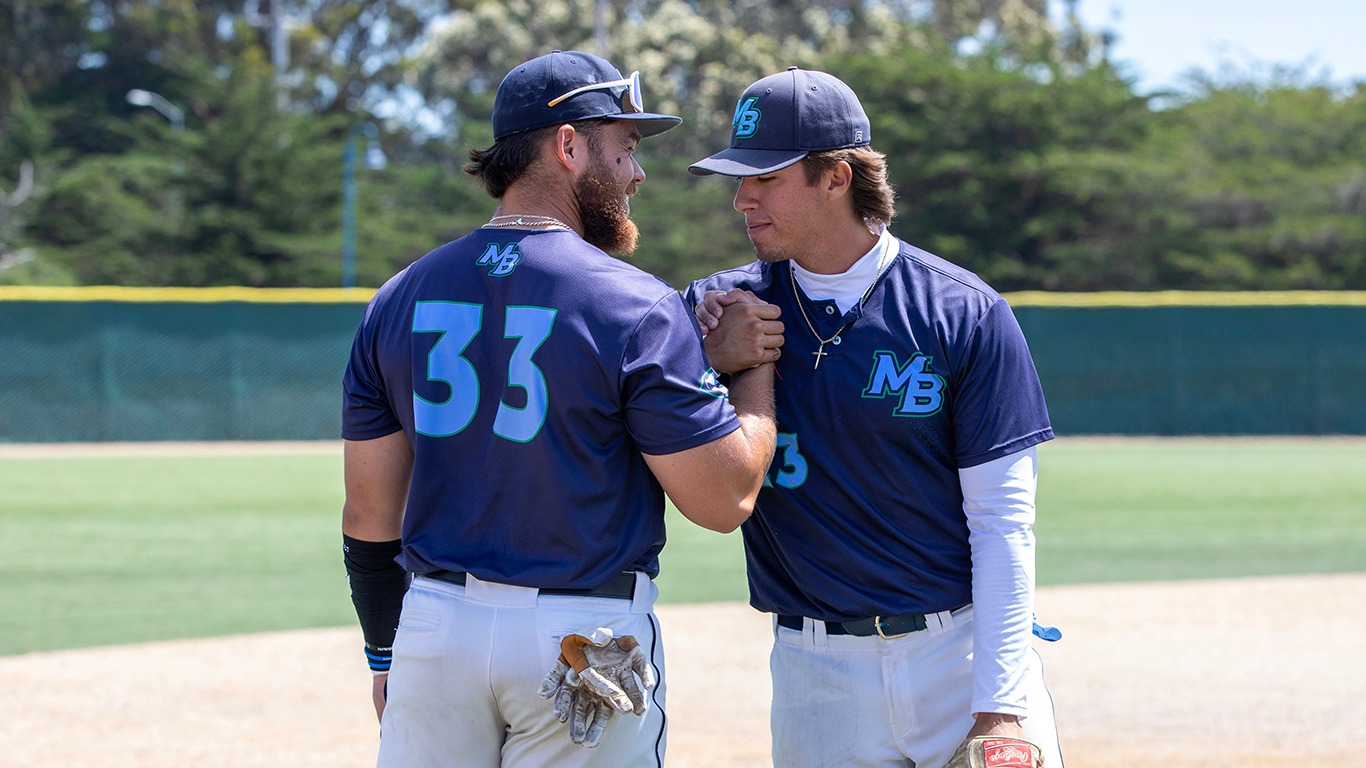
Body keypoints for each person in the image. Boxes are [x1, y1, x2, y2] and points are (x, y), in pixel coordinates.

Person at [340, 50, 778, 768]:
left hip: (433, 632)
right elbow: (724, 499)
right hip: (581, 634)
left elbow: (368, 516)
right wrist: (754, 369)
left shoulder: (398, 296)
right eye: (626, 148)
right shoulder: (636, 304)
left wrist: (385, 655)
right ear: (568, 146)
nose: (637, 174)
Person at [685, 67, 1065, 767]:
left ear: (836, 176)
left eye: (766, 177)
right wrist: (710, 360)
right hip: (814, 670)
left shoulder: (963, 312)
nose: (742, 199)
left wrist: (1002, 708)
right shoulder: (716, 311)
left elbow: (1003, 523)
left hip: (960, 658)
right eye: (740, 180)